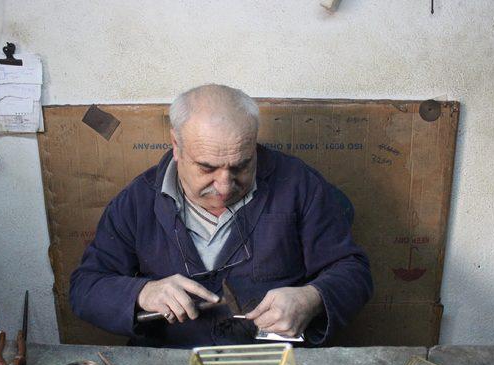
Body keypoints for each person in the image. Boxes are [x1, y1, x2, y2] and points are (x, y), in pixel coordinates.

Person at [70, 84, 372, 348]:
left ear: (253, 144)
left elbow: (353, 271)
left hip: (271, 362)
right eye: (207, 168)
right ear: (177, 146)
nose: (225, 186)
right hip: (172, 362)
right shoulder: (138, 200)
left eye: (241, 166)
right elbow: (85, 287)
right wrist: (142, 292)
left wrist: (313, 297)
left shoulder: (299, 185)